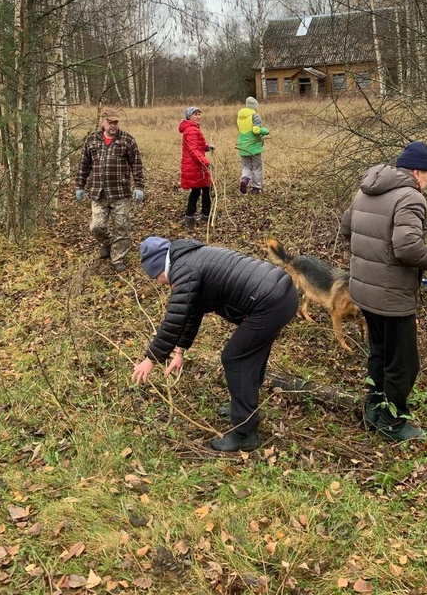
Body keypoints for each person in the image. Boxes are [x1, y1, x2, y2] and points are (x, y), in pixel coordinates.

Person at [132, 236, 299, 452]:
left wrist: (150, 359)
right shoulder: (189, 258)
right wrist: (180, 351)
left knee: (235, 358)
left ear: (159, 266)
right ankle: (243, 408)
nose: (159, 282)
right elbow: (192, 311)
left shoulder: (184, 270)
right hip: (281, 294)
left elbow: (173, 320)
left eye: (156, 276)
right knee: (250, 355)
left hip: (270, 303)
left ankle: (244, 434)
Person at [340, 141, 427, 442]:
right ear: (417, 172)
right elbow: (407, 248)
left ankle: (373, 408)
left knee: (380, 351)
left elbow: (346, 228)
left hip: (364, 290)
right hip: (391, 296)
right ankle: (392, 421)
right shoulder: (410, 198)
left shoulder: (366, 187)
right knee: (403, 362)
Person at [75, 108, 145, 273]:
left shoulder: (127, 140)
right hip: (98, 193)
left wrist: (139, 187)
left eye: (115, 122)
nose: (113, 125)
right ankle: (108, 242)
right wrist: (80, 186)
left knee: (122, 227)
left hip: (120, 193)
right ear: (102, 122)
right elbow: (84, 165)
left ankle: (118, 258)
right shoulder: (92, 140)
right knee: (96, 227)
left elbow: (137, 165)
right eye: (110, 122)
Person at [179, 106, 214, 228]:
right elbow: (194, 151)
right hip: (195, 166)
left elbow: (197, 147)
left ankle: (191, 217)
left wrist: (206, 147)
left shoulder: (192, 129)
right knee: (206, 189)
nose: (199, 116)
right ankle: (204, 215)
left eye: (199, 114)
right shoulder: (191, 130)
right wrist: (206, 162)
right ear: (189, 117)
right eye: (195, 114)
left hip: (196, 165)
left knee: (198, 190)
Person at [237, 96, 269, 194]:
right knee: (257, 167)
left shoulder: (240, 117)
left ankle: (244, 179)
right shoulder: (255, 116)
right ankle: (256, 188)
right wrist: (265, 130)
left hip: (242, 145)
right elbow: (256, 131)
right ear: (254, 106)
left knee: (246, 166)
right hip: (254, 146)